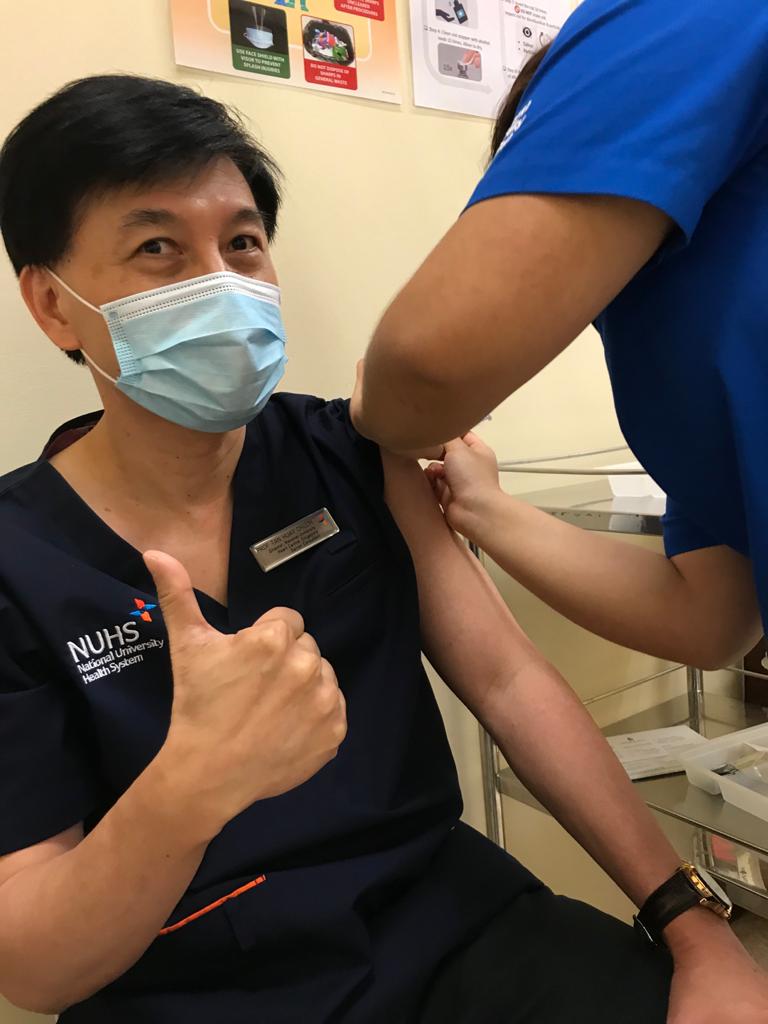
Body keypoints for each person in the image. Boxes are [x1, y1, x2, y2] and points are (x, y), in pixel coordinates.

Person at [0, 74, 751, 1024]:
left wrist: (690, 923)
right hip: (192, 982)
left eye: (242, 243)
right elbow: (35, 969)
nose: (221, 283)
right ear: (53, 306)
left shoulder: (348, 450)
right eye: (158, 248)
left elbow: (508, 681)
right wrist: (186, 791)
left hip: (445, 927)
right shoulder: (19, 559)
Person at [352, 0, 768, 681]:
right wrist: (483, 508)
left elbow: (427, 371)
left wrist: (373, 411)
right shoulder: (689, 361)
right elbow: (712, 617)